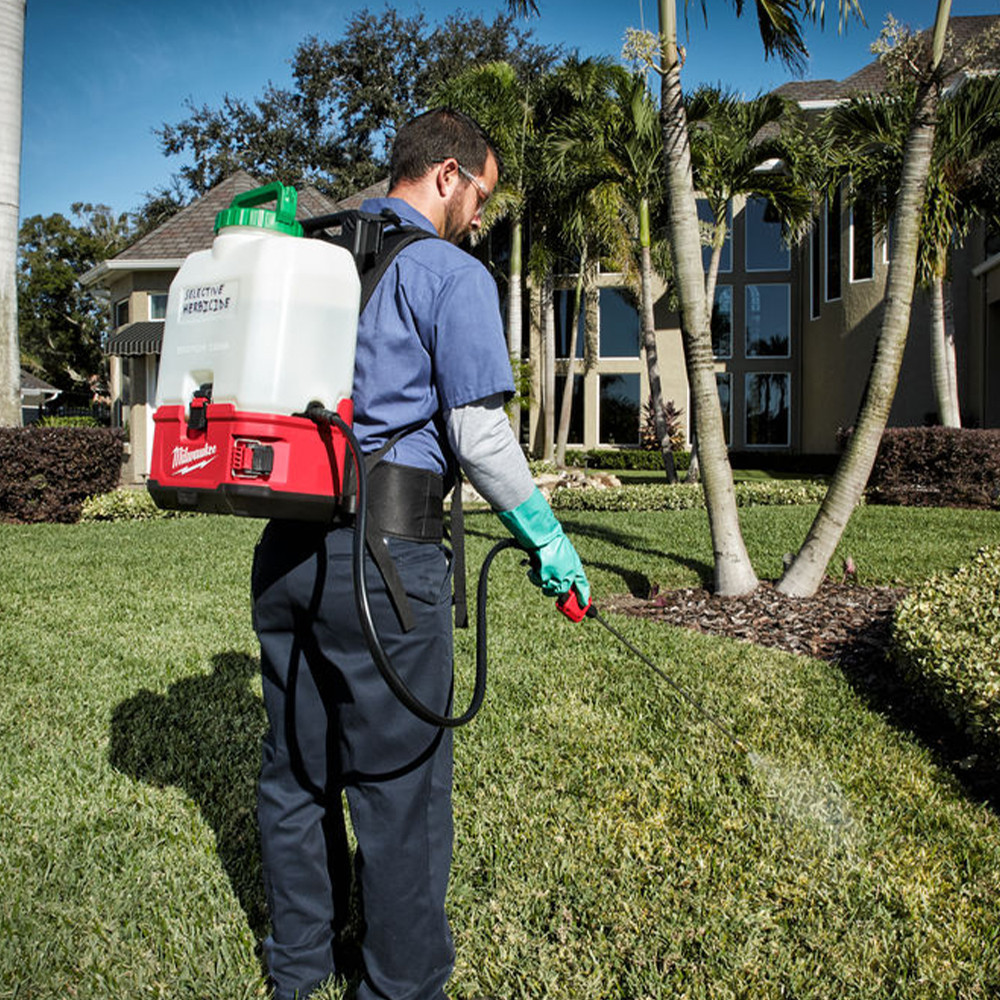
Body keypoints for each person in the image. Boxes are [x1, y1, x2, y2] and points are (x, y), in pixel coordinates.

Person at [251, 107, 589, 1000]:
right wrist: (547, 537)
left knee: (296, 773)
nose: (481, 217)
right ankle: (399, 987)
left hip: (285, 553)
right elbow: (478, 436)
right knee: (399, 794)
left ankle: (298, 966)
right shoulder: (448, 273)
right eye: (482, 196)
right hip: (387, 567)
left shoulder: (315, 258)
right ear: (447, 175)